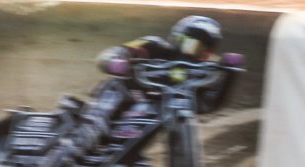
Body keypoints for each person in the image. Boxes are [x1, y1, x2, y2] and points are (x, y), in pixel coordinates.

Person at [95, 15, 236, 115]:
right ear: (177, 39)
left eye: (203, 52)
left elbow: (206, 105)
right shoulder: (151, 45)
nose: (196, 54)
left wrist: (230, 74)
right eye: (193, 46)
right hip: (121, 100)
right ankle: (86, 134)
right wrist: (116, 62)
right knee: (116, 85)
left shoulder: (199, 73)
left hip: (148, 115)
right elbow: (109, 55)